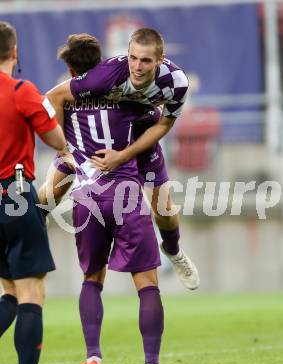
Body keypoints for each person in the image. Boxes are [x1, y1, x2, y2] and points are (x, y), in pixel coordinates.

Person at [41, 33, 179, 364]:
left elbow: (50, 108)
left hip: (86, 197)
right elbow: (158, 121)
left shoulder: (69, 99)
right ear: (102, 63)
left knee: (91, 278)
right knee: (147, 281)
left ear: (73, 71)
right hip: (125, 193)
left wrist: (63, 155)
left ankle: (92, 358)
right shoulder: (130, 98)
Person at [47, 28, 200, 290]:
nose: (138, 67)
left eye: (146, 60)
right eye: (133, 58)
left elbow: (165, 124)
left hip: (140, 143)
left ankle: (174, 251)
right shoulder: (103, 78)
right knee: (49, 192)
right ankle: (21, 234)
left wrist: (125, 155)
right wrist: (63, 149)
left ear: (160, 60)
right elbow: (54, 97)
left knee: (164, 210)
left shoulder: (176, 83)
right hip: (96, 149)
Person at [0, 21, 66, 364]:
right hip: (14, 195)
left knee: (9, 292)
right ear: (14, 52)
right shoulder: (22, 91)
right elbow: (56, 139)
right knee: (30, 293)